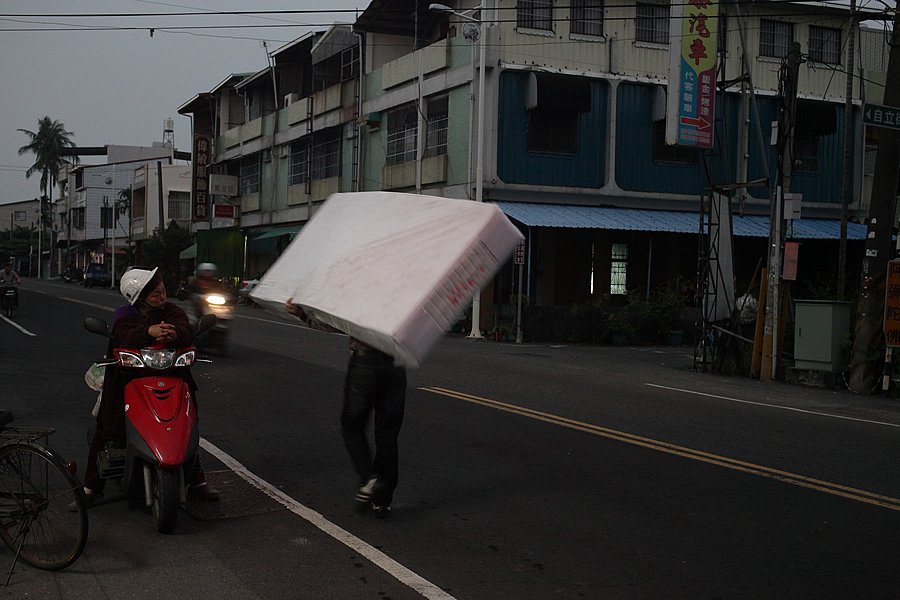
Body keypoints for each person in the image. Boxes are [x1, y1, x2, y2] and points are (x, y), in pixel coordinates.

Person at [76, 267, 219, 508]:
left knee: (188, 422)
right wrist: (148, 331)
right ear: (139, 297)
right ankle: (91, 487)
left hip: (171, 374)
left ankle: (197, 482)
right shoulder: (124, 315)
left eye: (162, 291)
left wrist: (176, 333)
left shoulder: (172, 311)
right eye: (155, 294)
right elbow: (121, 335)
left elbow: (186, 330)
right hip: (129, 377)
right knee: (107, 423)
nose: (161, 296)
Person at [286, 298, 406, 519]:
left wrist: (301, 314)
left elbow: (334, 323)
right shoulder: (406, 294)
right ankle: (383, 502)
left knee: (351, 424)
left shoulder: (361, 290)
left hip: (365, 365)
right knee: (387, 436)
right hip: (396, 365)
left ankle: (370, 479)